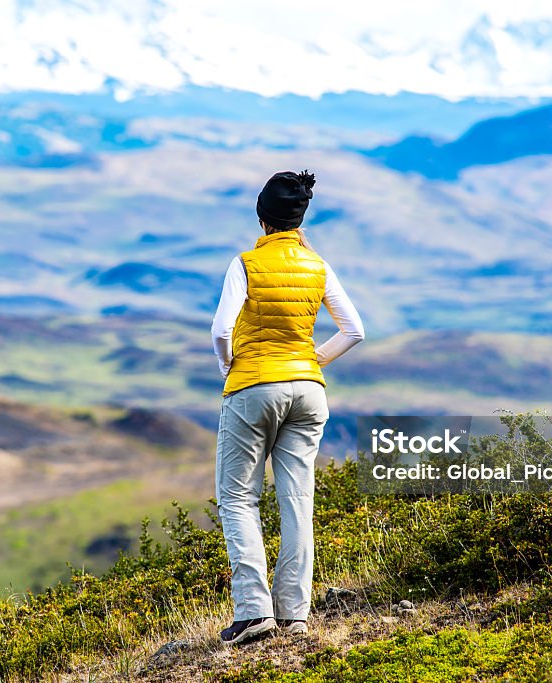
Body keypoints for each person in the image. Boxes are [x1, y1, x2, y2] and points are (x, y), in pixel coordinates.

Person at [210, 169, 365, 646]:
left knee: (239, 497)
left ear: (262, 218)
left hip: (254, 385)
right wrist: (310, 359)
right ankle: (295, 614)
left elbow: (220, 330)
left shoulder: (245, 265)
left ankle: (254, 612)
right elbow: (354, 330)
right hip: (309, 390)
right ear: (300, 217)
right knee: (298, 499)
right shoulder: (318, 266)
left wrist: (230, 368)